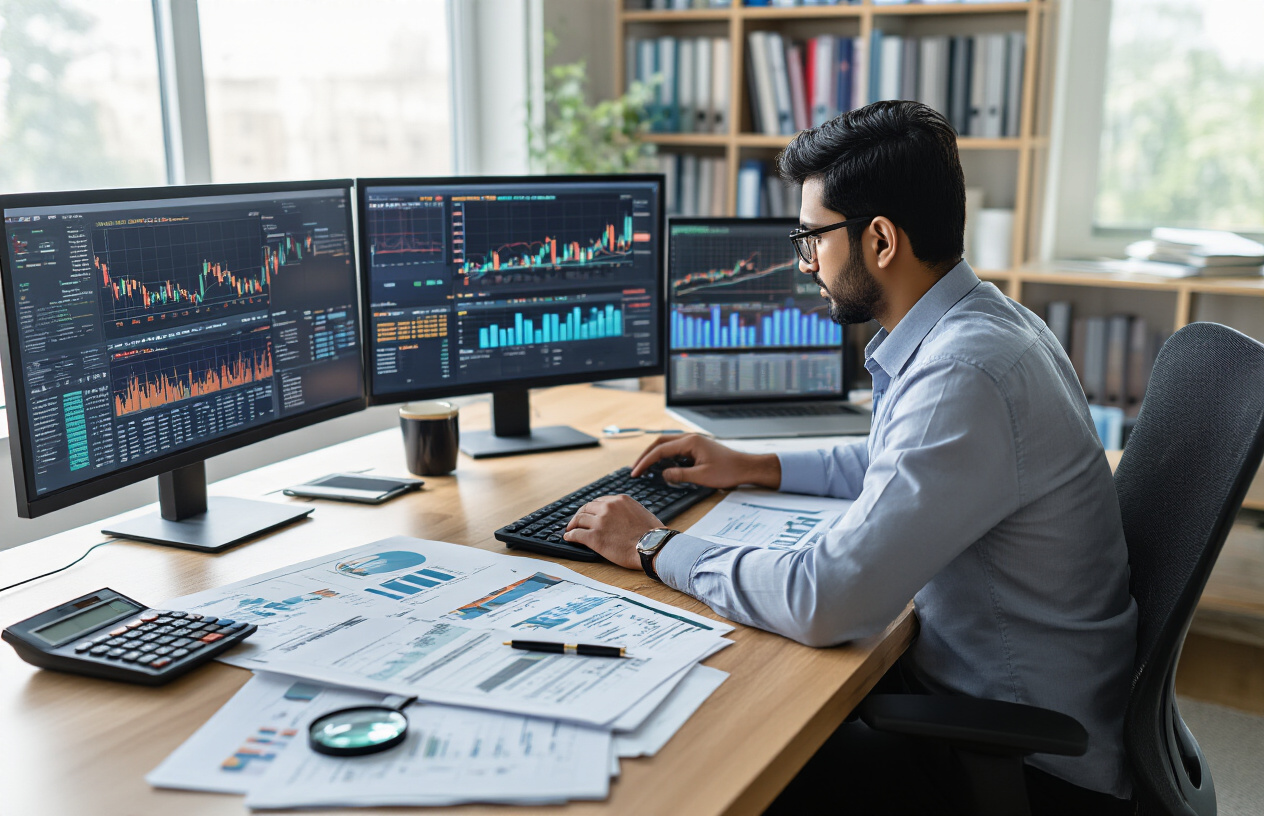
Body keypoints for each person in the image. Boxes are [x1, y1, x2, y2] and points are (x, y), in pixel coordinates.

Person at [563, 101, 1138, 815]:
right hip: (996, 704)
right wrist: (752, 465)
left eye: (812, 237)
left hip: (1024, 764)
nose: (805, 261)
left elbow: (827, 600)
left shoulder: (967, 374)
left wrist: (653, 545)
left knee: (722, 757)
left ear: (881, 241)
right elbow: (895, 459)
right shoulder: (989, 322)